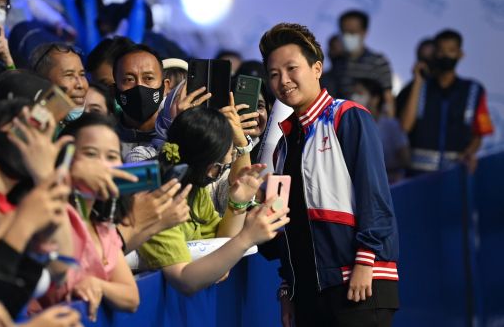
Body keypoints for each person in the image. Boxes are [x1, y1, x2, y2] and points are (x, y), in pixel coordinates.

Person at [258, 22, 399, 326]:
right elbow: (285, 228)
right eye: (274, 74)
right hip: (309, 291)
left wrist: (365, 261)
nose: (283, 81)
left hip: (358, 282)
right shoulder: (282, 144)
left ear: (317, 68)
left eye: (291, 68)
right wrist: (288, 289)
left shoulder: (347, 116)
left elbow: (373, 195)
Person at [138, 106, 289, 295]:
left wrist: (238, 203)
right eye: (221, 167)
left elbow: (220, 243)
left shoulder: (194, 190)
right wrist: (247, 238)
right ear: (206, 164)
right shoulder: (157, 201)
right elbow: (186, 280)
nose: (220, 174)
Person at [39, 113, 140, 322]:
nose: (102, 166)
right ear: (66, 158)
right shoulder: (49, 210)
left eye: (111, 157)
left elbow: (131, 298)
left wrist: (98, 285)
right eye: (91, 154)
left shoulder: (104, 227)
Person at [397, 29, 494, 175]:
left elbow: (479, 133)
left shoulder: (473, 90)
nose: (446, 56)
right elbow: (405, 126)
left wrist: (469, 152)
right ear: (434, 54)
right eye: (441, 51)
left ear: (460, 54)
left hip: (454, 175)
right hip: (417, 177)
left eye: (451, 51)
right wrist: (418, 83)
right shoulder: (417, 87)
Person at [323, 10, 395, 116]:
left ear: (364, 32)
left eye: (352, 32)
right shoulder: (338, 64)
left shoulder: (378, 62)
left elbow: (388, 100)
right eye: (344, 32)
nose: (347, 36)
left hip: (369, 122)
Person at [112, 44, 170, 157]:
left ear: (165, 87)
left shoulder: (177, 136)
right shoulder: (104, 137)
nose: (139, 86)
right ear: (114, 90)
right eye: (129, 79)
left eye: (148, 78)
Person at [351, 78, 409, 183]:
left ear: (375, 98)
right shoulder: (353, 127)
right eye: (354, 93)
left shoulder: (391, 126)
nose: (354, 98)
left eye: (360, 93)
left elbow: (405, 159)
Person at [29, 42, 88, 121]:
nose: (80, 85)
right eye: (69, 75)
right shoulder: (31, 127)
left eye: (82, 74)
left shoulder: (94, 126)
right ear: (43, 81)